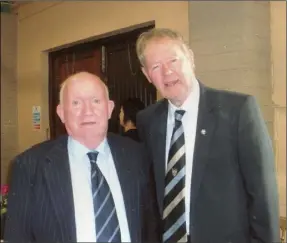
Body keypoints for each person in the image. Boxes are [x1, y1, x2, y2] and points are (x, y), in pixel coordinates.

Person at [136, 28, 280, 243]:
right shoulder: (147, 120)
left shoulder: (238, 111)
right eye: (156, 66)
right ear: (147, 75)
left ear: (191, 59)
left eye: (173, 60)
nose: (167, 72)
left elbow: (263, 195)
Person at [4, 72, 160, 242]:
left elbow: (151, 229)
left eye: (96, 101)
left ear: (109, 109)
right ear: (61, 112)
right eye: (76, 103)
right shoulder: (29, 166)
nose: (88, 111)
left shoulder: (137, 156)